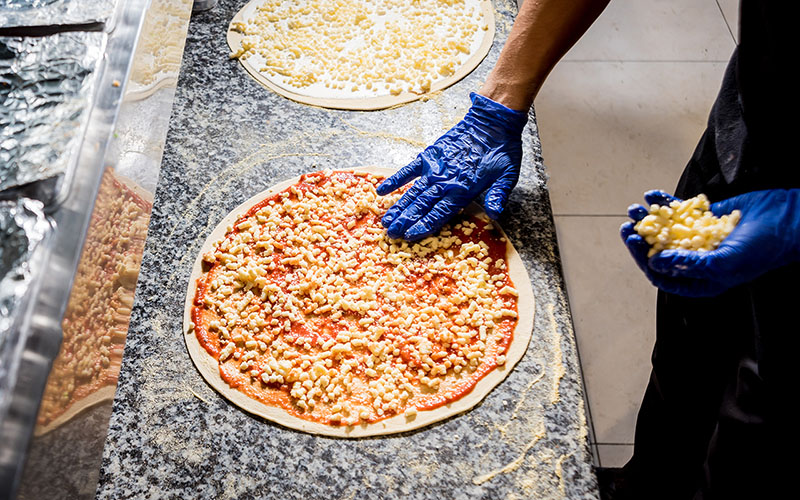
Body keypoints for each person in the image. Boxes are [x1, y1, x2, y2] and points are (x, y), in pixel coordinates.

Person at [376, 1, 800, 499]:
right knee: (686, 370)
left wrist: (795, 220)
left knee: (758, 447)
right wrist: (500, 104)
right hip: (759, 117)